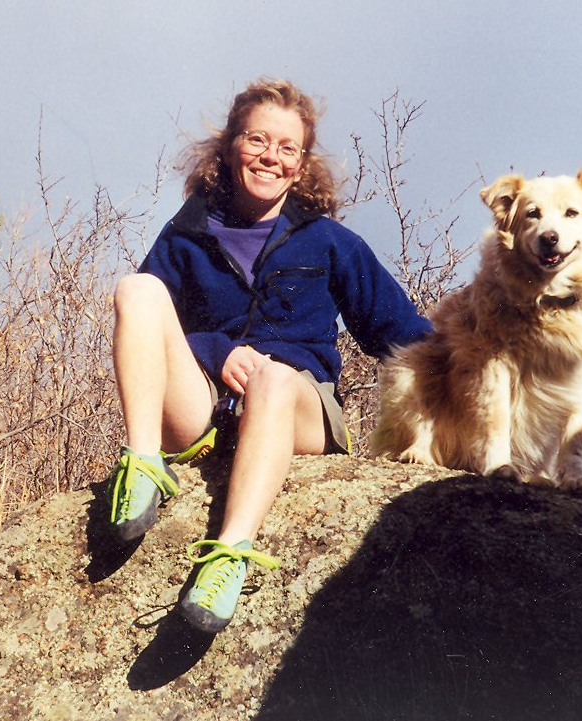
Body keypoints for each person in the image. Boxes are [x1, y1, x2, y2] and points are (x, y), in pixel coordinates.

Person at [107, 78, 432, 633]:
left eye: (288, 149)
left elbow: (404, 337)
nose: (271, 158)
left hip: (295, 410)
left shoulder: (329, 241)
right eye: (258, 141)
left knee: (274, 380)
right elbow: (154, 332)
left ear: (302, 165)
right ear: (232, 145)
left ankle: (229, 557)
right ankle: (142, 467)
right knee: (137, 291)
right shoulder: (186, 233)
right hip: (205, 411)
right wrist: (214, 350)